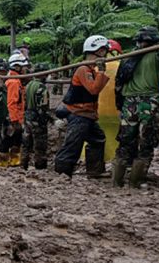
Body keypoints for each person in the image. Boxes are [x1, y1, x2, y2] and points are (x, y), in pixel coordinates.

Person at [113, 27, 159, 187]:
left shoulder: (128, 57)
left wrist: (119, 105)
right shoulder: (157, 53)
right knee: (146, 143)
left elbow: (118, 84)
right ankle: (136, 182)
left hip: (129, 102)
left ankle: (117, 181)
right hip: (149, 102)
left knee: (125, 142)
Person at [54, 35, 111, 177]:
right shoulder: (83, 69)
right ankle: (62, 175)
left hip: (87, 114)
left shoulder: (91, 70)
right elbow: (94, 89)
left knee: (98, 139)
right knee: (73, 146)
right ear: (98, 50)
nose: (106, 54)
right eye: (104, 50)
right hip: (79, 114)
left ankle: (94, 171)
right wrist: (101, 72)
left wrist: (100, 72)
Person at [0, 52, 30, 167]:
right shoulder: (13, 82)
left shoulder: (16, 80)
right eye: (24, 67)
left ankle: (13, 165)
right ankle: (2, 166)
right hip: (12, 119)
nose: (26, 69)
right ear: (17, 67)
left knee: (15, 143)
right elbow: (11, 103)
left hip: (15, 118)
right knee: (7, 142)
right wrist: (14, 121)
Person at [21, 63, 52, 170]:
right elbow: (42, 108)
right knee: (40, 146)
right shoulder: (41, 88)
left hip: (28, 118)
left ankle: (23, 166)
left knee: (26, 144)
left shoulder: (29, 85)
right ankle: (40, 168)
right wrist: (50, 120)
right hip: (38, 121)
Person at [97, 40, 123, 161]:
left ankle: (92, 160)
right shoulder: (122, 67)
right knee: (115, 139)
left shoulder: (95, 68)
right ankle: (112, 160)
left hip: (96, 111)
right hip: (117, 111)